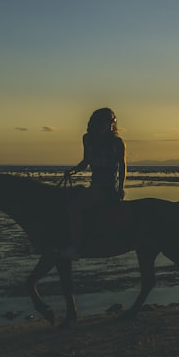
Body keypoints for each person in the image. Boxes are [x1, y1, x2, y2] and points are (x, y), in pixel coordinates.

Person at [60, 107, 127, 259]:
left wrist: (120, 188)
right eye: (107, 121)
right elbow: (86, 161)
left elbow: (122, 166)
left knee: (73, 208)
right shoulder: (87, 139)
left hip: (107, 188)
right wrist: (72, 171)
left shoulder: (117, 143)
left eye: (112, 122)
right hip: (94, 185)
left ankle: (76, 248)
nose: (109, 125)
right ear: (97, 122)